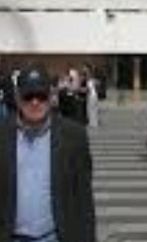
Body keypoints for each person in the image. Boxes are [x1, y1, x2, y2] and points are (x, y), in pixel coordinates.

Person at [0, 65, 96, 242]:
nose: (35, 102)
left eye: (41, 96)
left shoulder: (74, 136)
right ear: (17, 97)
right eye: (28, 96)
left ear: (51, 96)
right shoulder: (3, 134)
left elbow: (83, 199)